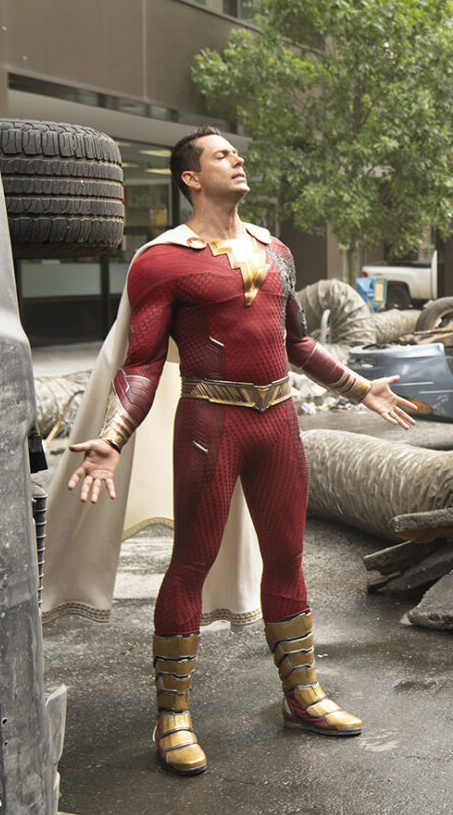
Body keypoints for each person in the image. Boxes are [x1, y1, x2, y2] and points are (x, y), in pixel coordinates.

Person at [66, 128, 418, 774]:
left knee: (287, 559)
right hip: (209, 422)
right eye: (221, 154)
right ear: (190, 178)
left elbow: (299, 345)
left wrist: (361, 387)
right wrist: (113, 439)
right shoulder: (162, 261)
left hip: (277, 421)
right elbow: (141, 365)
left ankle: (302, 693)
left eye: (237, 152)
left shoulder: (276, 252)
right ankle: (171, 715)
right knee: (191, 562)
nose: (238, 159)